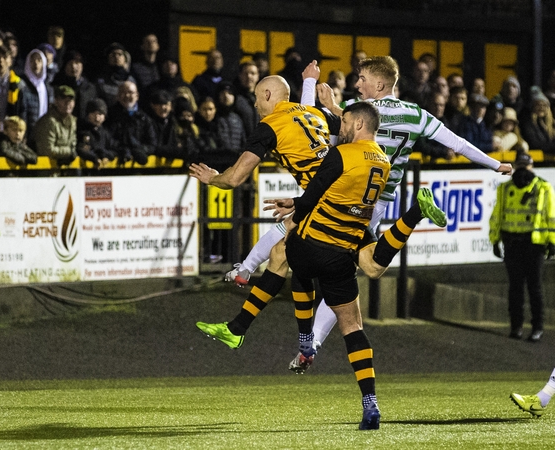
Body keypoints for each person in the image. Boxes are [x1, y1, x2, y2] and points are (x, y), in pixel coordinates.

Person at [204, 57, 511, 363]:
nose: (357, 83)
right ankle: (290, 333)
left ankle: (281, 327)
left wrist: (320, 95)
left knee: (294, 251)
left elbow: (318, 130)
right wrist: (495, 163)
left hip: (344, 196)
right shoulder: (416, 114)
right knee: (361, 266)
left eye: (363, 78)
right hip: (377, 200)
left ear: (379, 84)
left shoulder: (356, 113)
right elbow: (457, 143)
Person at [271, 101, 389, 430]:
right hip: (342, 253)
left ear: (360, 124)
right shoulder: (383, 160)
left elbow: (311, 197)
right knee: (353, 328)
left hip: (313, 242)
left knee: (291, 258)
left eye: (346, 121)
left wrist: (291, 204)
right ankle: (370, 403)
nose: (342, 126)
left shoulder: (340, 155)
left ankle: (306, 338)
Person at [489, 152, 555, 342]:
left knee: (535, 288)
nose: (524, 170)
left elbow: (550, 217)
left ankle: (537, 327)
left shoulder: (543, 188)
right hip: (512, 244)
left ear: (532, 166)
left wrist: (552, 241)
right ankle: (516, 326)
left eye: (526, 166)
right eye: (521, 166)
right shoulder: (504, 188)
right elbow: (497, 216)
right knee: (515, 288)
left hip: (534, 245)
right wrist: (494, 240)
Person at [106, 80, 157, 164]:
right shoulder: (110, 116)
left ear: (137, 96)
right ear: (118, 96)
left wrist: (139, 149)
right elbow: (107, 139)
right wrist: (122, 149)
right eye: (123, 92)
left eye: (130, 92)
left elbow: (152, 144)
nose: (126, 95)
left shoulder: (144, 118)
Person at [35, 85, 77, 166]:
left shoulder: (73, 121)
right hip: (47, 172)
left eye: (70, 100)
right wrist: (69, 152)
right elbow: (47, 150)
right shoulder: (48, 121)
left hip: (66, 171)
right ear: (56, 101)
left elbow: (73, 144)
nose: (67, 103)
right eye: (63, 99)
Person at [76, 98, 116, 166]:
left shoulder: (106, 133)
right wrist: (94, 158)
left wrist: (106, 155)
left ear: (104, 117)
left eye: (100, 114)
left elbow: (114, 150)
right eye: (93, 114)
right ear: (88, 115)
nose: (97, 118)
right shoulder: (83, 132)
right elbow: (82, 149)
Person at [520, 87, 555, 155]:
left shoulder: (552, 124)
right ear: (533, 107)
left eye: (544, 105)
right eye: (538, 105)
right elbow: (534, 143)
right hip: (535, 159)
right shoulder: (528, 123)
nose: (541, 107)